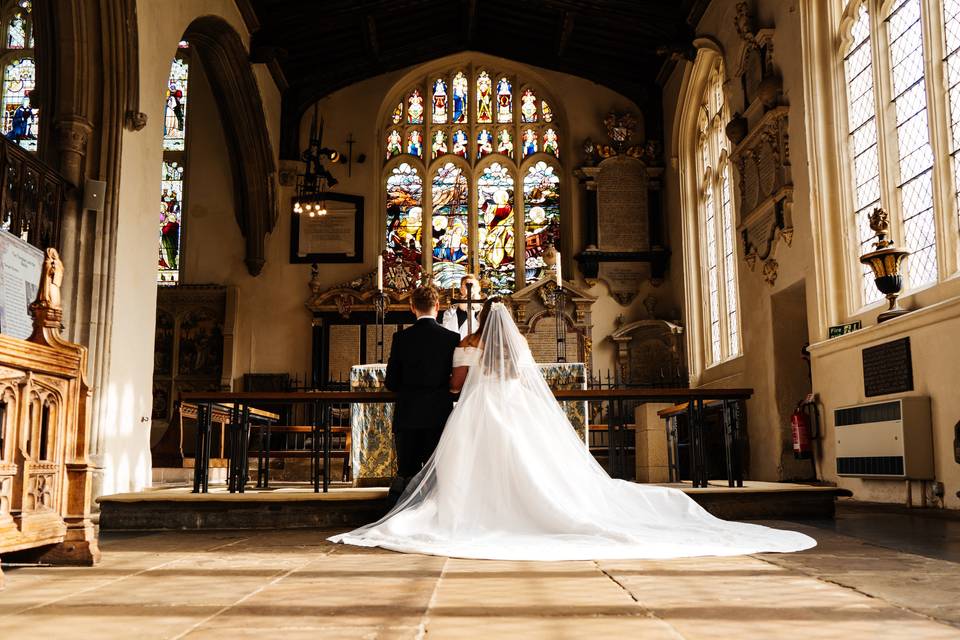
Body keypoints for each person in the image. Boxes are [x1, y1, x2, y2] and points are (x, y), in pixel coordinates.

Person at [330, 298, 816, 561]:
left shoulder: (467, 344)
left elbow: (457, 383)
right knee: (530, 463)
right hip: (510, 409)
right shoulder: (514, 354)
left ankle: (470, 512)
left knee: (469, 465)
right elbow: (514, 379)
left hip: (476, 411)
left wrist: (459, 381)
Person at [384, 285, 460, 503]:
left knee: (407, 470)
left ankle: (399, 511)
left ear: (412, 307)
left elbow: (391, 382)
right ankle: (435, 513)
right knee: (435, 470)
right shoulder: (451, 338)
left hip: (408, 414)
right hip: (438, 414)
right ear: (438, 306)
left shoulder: (401, 338)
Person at [441, 273, 481, 338]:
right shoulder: (451, 311)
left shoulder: (485, 310)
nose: (470, 289)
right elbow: (447, 332)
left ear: (478, 289)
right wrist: (460, 312)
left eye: (473, 286)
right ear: (461, 289)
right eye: (467, 286)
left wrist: (477, 311)